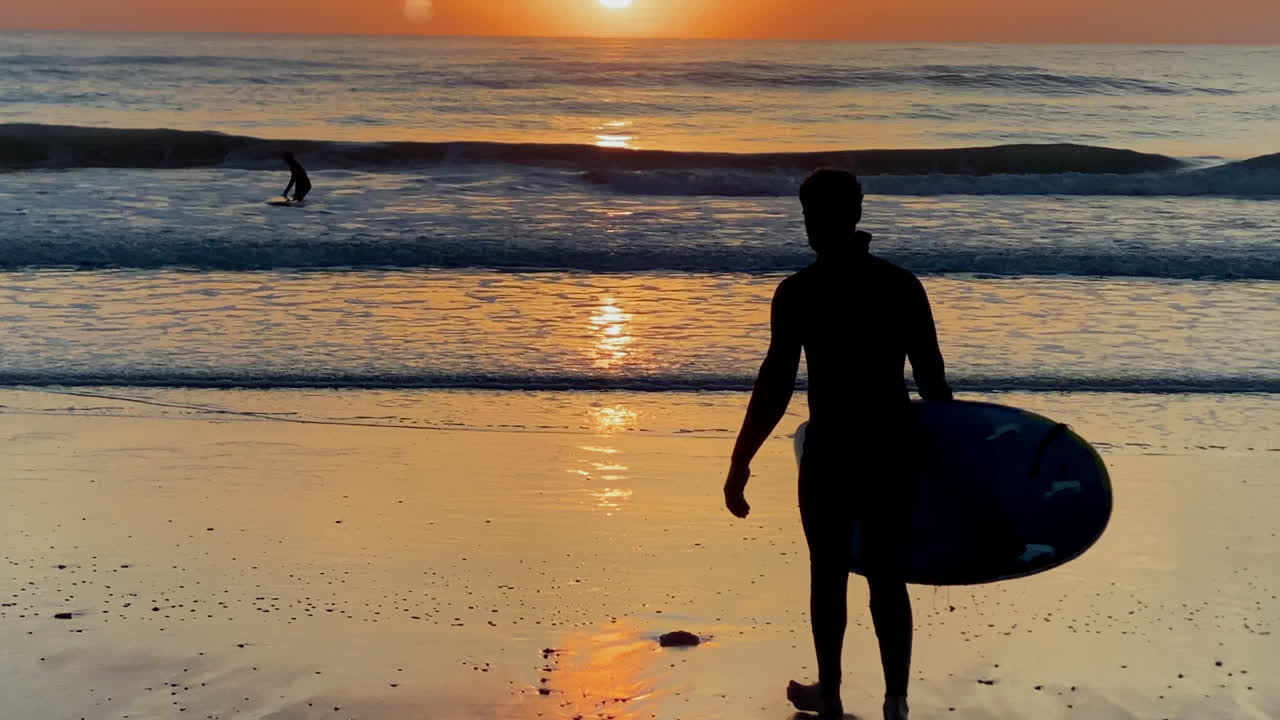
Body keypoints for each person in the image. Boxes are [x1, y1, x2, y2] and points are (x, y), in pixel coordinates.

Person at [722, 168, 953, 720]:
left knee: (828, 573)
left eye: (808, 215)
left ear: (822, 219)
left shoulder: (801, 292)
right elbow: (934, 384)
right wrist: (949, 465)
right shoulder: (900, 285)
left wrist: (740, 461)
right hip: (892, 447)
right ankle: (896, 702)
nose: (806, 226)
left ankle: (831, 691)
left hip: (831, 450)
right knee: (887, 575)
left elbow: (775, 385)